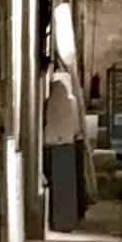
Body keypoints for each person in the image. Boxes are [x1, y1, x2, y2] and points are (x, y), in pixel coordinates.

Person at [39, 59, 87, 232]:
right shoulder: (70, 101)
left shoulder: (52, 101)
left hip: (54, 147)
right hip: (67, 146)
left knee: (61, 192)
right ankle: (66, 220)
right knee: (66, 192)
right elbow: (75, 127)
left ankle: (61, 221)